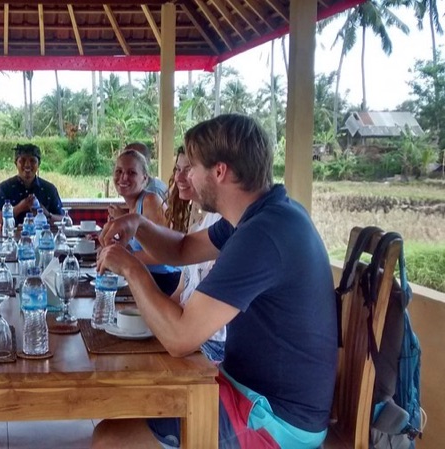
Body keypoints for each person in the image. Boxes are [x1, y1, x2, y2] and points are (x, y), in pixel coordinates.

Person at [93, 114, 337, 448]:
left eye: (192, 167)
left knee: (110, 439)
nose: (186, 176)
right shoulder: (261, 214)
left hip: (275, 421)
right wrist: (138, 225)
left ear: (219, 171)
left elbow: (180, 337)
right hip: (247, 390)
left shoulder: (263, 235)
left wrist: (132, 268)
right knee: (131, 405)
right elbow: (181, 249)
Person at [165, 146, 226, 363]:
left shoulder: (224, 224)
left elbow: (193, 327)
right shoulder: (200, 223)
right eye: (177, 169)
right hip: (191, 331)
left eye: (189, 169)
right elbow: (181, 290)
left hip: (210, 343)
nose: (180, 177)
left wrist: (132, 268)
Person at [107, 150, 181, 295]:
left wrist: (123, 257)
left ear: (145, 179)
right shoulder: (133, 207)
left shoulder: (150, 201)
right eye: (119, 171)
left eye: (132, 173)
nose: (124, 177)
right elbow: (139, 249)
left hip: (167, 282)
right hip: (147, 277)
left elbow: (165, 254)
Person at [0, 143, 63, 225]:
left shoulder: (49, 189)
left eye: (32, 161)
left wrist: (46, 214)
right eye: (22, 161)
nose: (27, 165)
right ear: (16, 163)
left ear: (38, 164)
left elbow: (63, 220)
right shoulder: (4, 188)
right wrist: (19, 208)